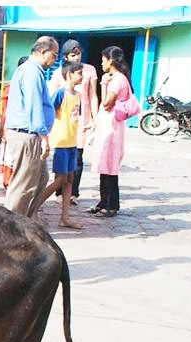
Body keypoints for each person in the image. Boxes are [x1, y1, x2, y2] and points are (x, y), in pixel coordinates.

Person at [3, 36, 58, 217]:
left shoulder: (34, 71)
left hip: (30, 134)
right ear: (43, 52)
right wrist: (44, 137)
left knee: (40, 179)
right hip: (27, 134)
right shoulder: (31, 72)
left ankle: (26, 221)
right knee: (23, 186)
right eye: (54, 55)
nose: (55, 60)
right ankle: (9, 228)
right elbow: (34, 105)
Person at [32, 60, 84, 229]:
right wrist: (45, 135)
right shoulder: (60, 94)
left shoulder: (78, 95)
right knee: (60, 179)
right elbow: (49, 112)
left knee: (69, 179)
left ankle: (65, 217)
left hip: (72, 142)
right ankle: (34, 207)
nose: (82, 76)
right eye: (79, 73)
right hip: (61, 141)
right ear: (69, 75)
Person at [48, 39, 98, 205]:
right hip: (63, 123)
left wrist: (94, 118)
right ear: (65, 56)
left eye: (79, 54)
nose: (77, 57)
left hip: (81, 120)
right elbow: (52, 102)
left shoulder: (89, 71)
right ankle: (58, 193)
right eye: (73, 54)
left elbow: (92, 96)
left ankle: (73, 193)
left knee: (78, 158)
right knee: (61, 161)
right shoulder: (58, 74)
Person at [88, 45, 133, 218]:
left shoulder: (117, 80)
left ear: (111, 60)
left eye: (103, 59)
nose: (101, 63)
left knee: (110, 167)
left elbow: (106, 103)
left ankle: (112, 204)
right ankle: (103, 201)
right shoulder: (116, 78)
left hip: (112, 128)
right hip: (107, 126)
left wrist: (103, 83)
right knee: (104, 166)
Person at [0, 55, 29, 190]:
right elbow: (4, 109)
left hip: (25, 128)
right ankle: (8, 184)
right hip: (10, 124)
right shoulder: (9, 87)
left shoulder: (31, 85)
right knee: (8, 156)